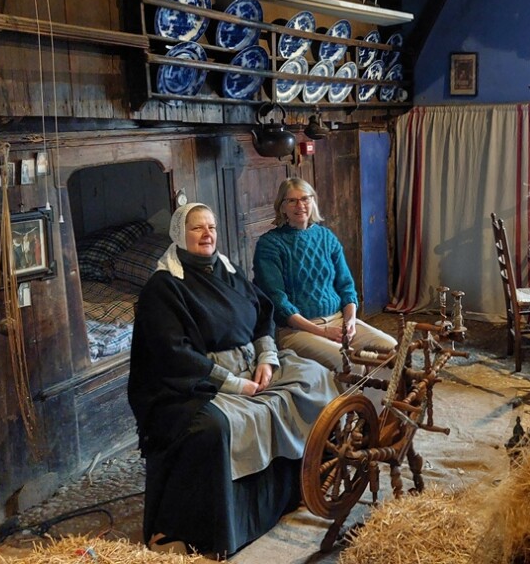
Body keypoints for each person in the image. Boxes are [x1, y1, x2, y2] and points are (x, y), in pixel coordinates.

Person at [127, 202, 340, 558]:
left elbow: (262, 314)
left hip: (253, 364)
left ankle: (305, 485)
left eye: (211, 227)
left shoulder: (228, 271)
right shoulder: (163, 288)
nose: (207, 234)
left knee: (316, 378)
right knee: (213, 428)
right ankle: (206, 530)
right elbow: (173, 353)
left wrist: (267, 358)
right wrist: (234, 384)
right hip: (197, 381)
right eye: (197, 228)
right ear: (180, 234)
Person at [253, 178, 396, 374]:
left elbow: (346, 287)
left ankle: (380, 396)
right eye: (292, 200)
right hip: (298, 330)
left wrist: (350, 321)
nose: (300, 205)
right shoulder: (270, 244)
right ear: (282, 207)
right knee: (352, 364)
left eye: (305, 198)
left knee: (393, 349)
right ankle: (351, 395)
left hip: (338, 321)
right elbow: (279, 303)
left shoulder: (326, 237)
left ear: (313, 201)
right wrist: (323, 332)